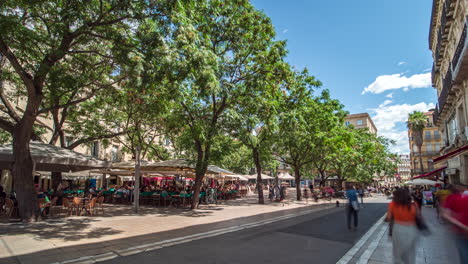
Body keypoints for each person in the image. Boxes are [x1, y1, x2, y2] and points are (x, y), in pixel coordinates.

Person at [386, 188, 419, 264]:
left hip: (398, 228)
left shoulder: (392, 204)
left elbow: (388, 218)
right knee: (410, 252)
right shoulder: (414, 205)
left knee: (397, 252)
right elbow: (418, 216)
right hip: (412, 228)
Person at [442, 185, 468, 264]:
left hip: (461, 231)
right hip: (461, 230)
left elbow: (446, 215)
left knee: (464, 252)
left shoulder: (450, 198)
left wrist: (461, 225)